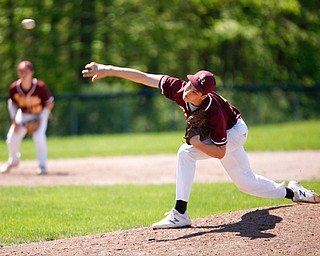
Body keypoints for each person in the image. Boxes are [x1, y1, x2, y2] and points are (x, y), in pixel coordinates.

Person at [82, 62, 320, 229]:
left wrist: (196, 141)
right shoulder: (180, 89)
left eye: (194, 90)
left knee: (186, 152)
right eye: (189, 84)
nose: (187, 91)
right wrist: (107, 70)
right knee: (246, 184)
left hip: (233, 133)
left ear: (204, 96)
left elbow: (220, 151)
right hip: (225, 133)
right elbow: (144, 77)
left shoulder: (213, 112)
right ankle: (293, 191)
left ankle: (180, 213)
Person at [0, 60, 54, 175]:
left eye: (26, 72)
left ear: (32, 72)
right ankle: (13, 161)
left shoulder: (40, 87)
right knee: (12, 138)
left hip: (40, 114)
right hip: (23, 115)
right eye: (21, 72)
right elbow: (12, 104)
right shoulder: (14, 88)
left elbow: (49, 103)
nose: (23, 75)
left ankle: (42, 166)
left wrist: (41, 117)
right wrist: (14, 121)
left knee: (39, 136)